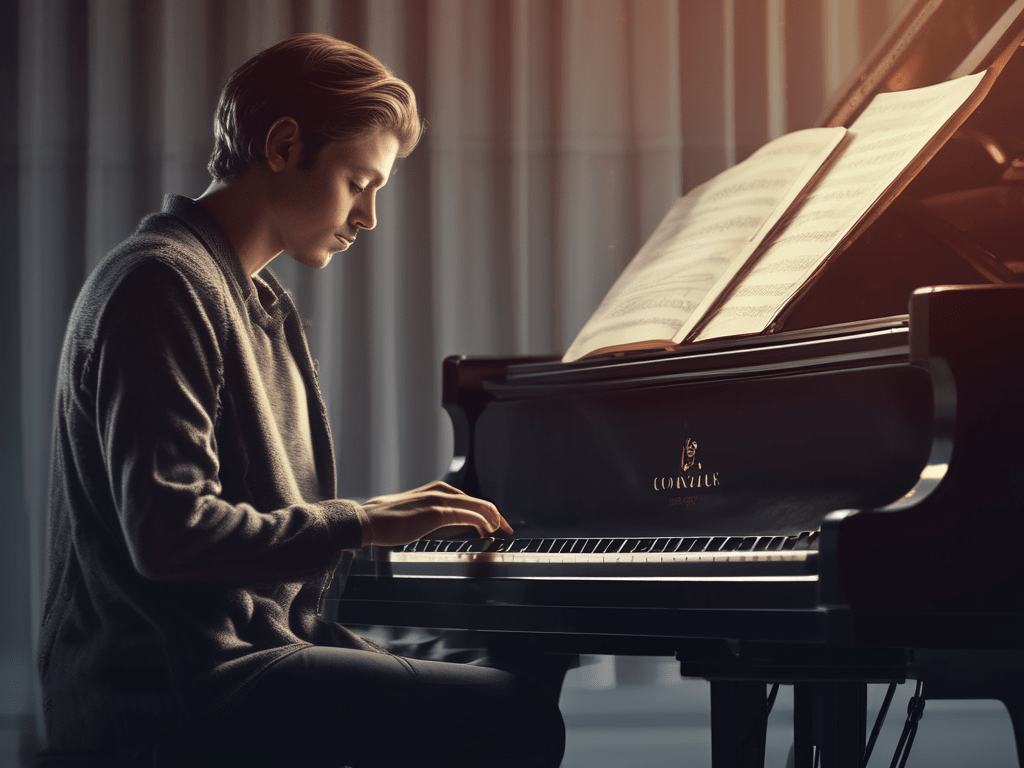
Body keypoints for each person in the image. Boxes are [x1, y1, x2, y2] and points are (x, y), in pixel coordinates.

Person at [37, 33, 565, 768]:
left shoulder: (253, 299)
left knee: (516, 676)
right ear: (283, 145)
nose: (370, 216)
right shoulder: (161, 283)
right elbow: (169, 534)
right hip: (167, 693)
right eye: (360, 181)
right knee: (512, 718)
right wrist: (363, 521)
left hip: (240, 658)